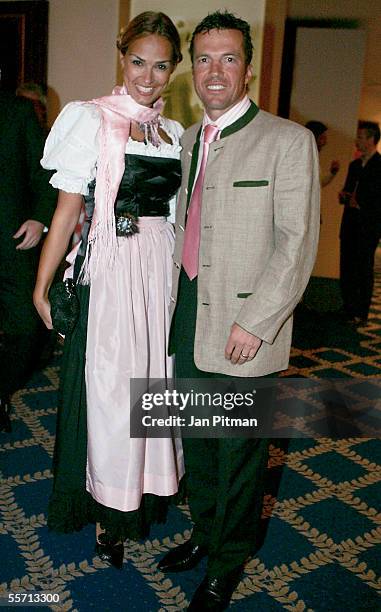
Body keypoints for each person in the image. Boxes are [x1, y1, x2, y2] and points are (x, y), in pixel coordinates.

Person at [158, 11, 320, 611]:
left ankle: (228, 563)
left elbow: (296, 244)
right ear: (192, 69)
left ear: (248, 67)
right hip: (188, 319)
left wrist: (256, 324)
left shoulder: (287, 140)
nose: (215, 70)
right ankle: (205, 533)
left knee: (240, 457)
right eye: (204, 59)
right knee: (197, 443)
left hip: (246, 328)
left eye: (228, 58)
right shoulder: (189, 140)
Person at [33, 12, 184, 568]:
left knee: (153, 383)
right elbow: (68, 205)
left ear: (173, 71)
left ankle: (138, 493)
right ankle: (107, 507)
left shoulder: (171, 133)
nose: (148, 76)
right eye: (139, 61)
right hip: (114, 267)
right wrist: (43, 283)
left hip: (157, 269)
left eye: (161, 65)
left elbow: (174, 216)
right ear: (123, 58)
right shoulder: (91, 118)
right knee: (112, 390)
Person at [0, 92, 56, 433]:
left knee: (25, 329)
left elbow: (44, 172)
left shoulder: (17, 111)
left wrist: (38, 218)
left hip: (13, 245)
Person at [339, 120, 381, 325]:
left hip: (368, 227)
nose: (357, 141)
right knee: (347, 267)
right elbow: (348, 190)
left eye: (361, 137)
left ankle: (361, 313)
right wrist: (345, 196)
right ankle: (348, 308)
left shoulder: (380, 166)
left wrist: (361, 203)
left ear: (372, 139)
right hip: (349, 225)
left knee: (363, 269)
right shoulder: (354, 165)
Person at [305, 120, 340, 187]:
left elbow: (317, 184)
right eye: (322, 138)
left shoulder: (313, 158)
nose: (324, 142)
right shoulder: (304, 158)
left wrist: (332, 173)